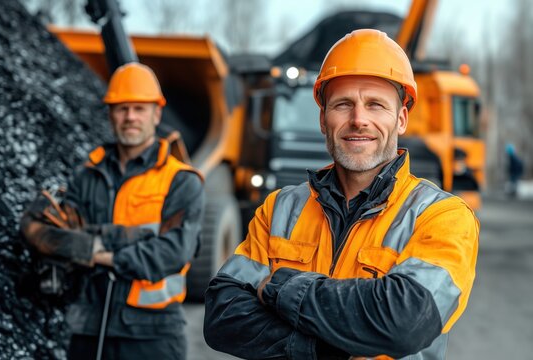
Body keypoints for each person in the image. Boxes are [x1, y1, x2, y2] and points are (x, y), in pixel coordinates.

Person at [203, 29, 479, 359]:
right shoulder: (278, 209)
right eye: (343, 104)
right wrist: (315, 348)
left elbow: (405, 322)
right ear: (323, 119)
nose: (358, 120)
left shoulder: (442, 216)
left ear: (401, 119)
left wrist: (278, 287)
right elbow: (222, 314)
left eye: (376, 105)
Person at [20, 62, 204, 360]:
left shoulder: (181, 181)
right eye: (122, 108)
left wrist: (96, 252)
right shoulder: (86, 176)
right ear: (110, 114)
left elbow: (173, 251)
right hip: (88, 331)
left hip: (153, 335)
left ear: (157, 113)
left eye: (139, 108)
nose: (130, 116)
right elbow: (53, 236)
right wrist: (136, 238)